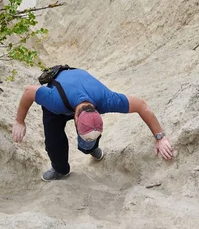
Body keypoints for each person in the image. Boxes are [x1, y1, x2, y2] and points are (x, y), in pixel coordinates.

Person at [12, 68, 174, 181]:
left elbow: (141, 106)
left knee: (90, 137)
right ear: (75, 120)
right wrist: (20, 121)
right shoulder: (53, 101)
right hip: (60, 100)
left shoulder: (107, 100)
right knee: (54, 144)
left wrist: (160, 137)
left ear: (99, 112)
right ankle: (60, 169)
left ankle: (90, 148)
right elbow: (28, 91)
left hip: (80, 90)